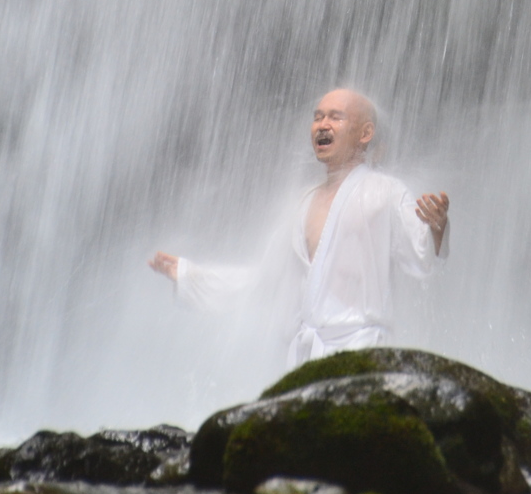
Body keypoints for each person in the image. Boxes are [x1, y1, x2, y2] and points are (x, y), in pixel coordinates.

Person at [149, 88, 450, 366]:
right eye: (317, 117)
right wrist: (192, 277)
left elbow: (421, 258)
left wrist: (436, 230)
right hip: (307, 355)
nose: (322, 124)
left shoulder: (386, 192)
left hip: (363, 350)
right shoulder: (302, 203)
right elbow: (266, 281)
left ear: (365, 132)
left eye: (335, 116)